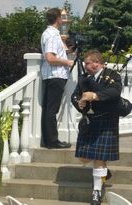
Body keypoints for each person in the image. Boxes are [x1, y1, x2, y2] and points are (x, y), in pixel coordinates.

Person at [71, 50, 122, 205]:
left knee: (99, 158)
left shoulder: (112, 75)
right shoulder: (84, 79)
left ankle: (96, 192)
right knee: (83, 157)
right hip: (90, 121)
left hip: (106, 120)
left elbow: (115, 92)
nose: (85, 66)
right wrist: (80, 103)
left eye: (87, 63)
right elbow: (74, 96)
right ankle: (104, 173)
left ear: (97, 63)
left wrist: (95, 96)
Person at [41, 8, 74, 149]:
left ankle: (48, 140)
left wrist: (71, 51)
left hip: (51, 75)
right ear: (58, 18)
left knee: (48, 109)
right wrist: (67, 62)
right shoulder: (53, 35)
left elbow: (57, 52)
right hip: (56, 75)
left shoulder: (49, 34)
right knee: (52, 110)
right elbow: (50, 58)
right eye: (62, 17)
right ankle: (53, 141)